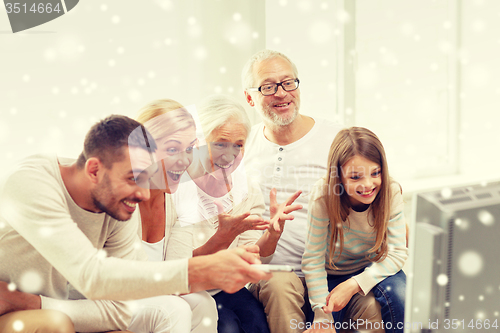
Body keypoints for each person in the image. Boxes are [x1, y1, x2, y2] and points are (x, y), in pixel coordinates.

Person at [0, 114, 271, 333]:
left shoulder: (115, 207)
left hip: (35, 302)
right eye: (133, 178)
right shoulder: (31, 181)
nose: (142, 193)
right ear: (94, 170)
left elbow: (120, 305)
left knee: (175, 309)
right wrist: (201, 269)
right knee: (56, 324)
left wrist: (33, 302)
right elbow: (91, 276)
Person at [242, 49, 384, 333]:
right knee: (279, 288)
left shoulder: (335, 138)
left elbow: (374, 189)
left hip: (333, 268)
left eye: (288, 83)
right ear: (250, 97)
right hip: (275, 271)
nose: (281, 93)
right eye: (268, 87)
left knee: (370, 304)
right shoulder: (243, 146)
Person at [170, 94, 301, 333]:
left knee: (257, 323)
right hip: (186, 290)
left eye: (238, 145)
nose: (229, 155)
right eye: (220, 143)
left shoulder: (246, 190)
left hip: (223, 287)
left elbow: (255, 255)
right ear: (198, 141)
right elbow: (175, 269)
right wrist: (223, 237)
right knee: (228, 326)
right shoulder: (175, 188)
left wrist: (272, 234)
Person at [302, 127, 407, 333]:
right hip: (333, 275)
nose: (368, 185)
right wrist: (322, 316)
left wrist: (354, 284)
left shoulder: (391, 190)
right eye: (356, 177)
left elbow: (397, 253)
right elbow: (313, 260)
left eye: (375, 173)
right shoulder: (323, 196)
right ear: (338, 177)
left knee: (402, 295)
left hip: (377, 266)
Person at [127, 98, 218, 333]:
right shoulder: (121, 198)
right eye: (172, 149)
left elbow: (177, 273)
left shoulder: (179, 199)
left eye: (189, 149)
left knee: (203, 303)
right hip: (109, 297)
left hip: (149, 295)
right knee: (173, 309)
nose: (185, 160)